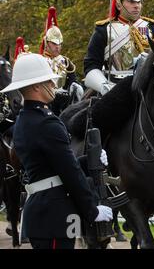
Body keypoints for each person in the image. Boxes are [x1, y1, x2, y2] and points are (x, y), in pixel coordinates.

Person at [0, 53, 113, 249]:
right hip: (54, 215)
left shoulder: (25, 119)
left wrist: (89, 161)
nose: (53, 85)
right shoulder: (46, 123)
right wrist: (92, 211)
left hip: (45, 211)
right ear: (36, 86)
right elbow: (69, 173)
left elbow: (54, 168)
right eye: (48, 81)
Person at [84, 0, 154, 96]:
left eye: (139, 1)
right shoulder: (104, 30)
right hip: (115, 88)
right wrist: (104, 87)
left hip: (148, 89)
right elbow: (91, 65)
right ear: (119, 4)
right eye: (131, 1)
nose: (137, 6)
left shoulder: (152, 28)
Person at [39, 6, 83, 115]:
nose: (57, 47)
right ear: (46, 43)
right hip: (44, 105)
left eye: (60, 44)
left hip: (63, 106)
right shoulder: (39, 61)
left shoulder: (66, 62)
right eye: (54, 43)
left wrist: (75, 88)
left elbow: (72, 82)